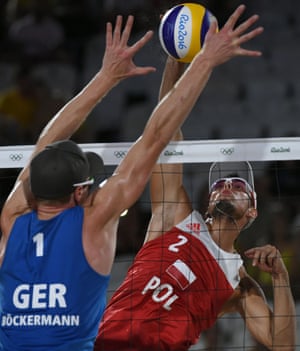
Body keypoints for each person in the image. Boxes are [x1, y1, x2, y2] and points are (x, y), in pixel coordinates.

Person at [0, 4, 264, 351]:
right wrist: (205, 60)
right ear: (79, 193)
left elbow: (44, 147)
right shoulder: (93, 223)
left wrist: (104, 78)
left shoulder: (12, 217)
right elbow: (156, 137)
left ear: (33, 187)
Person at [95, 16, 296, 351]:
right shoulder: (174, 217)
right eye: (220, 184)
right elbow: (165, 132)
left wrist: (280, 277)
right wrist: (176, 58)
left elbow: (283, 346)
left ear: (252, 214)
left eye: (239, 185)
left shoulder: (239, 284)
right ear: (207, 200)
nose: (228, 186)